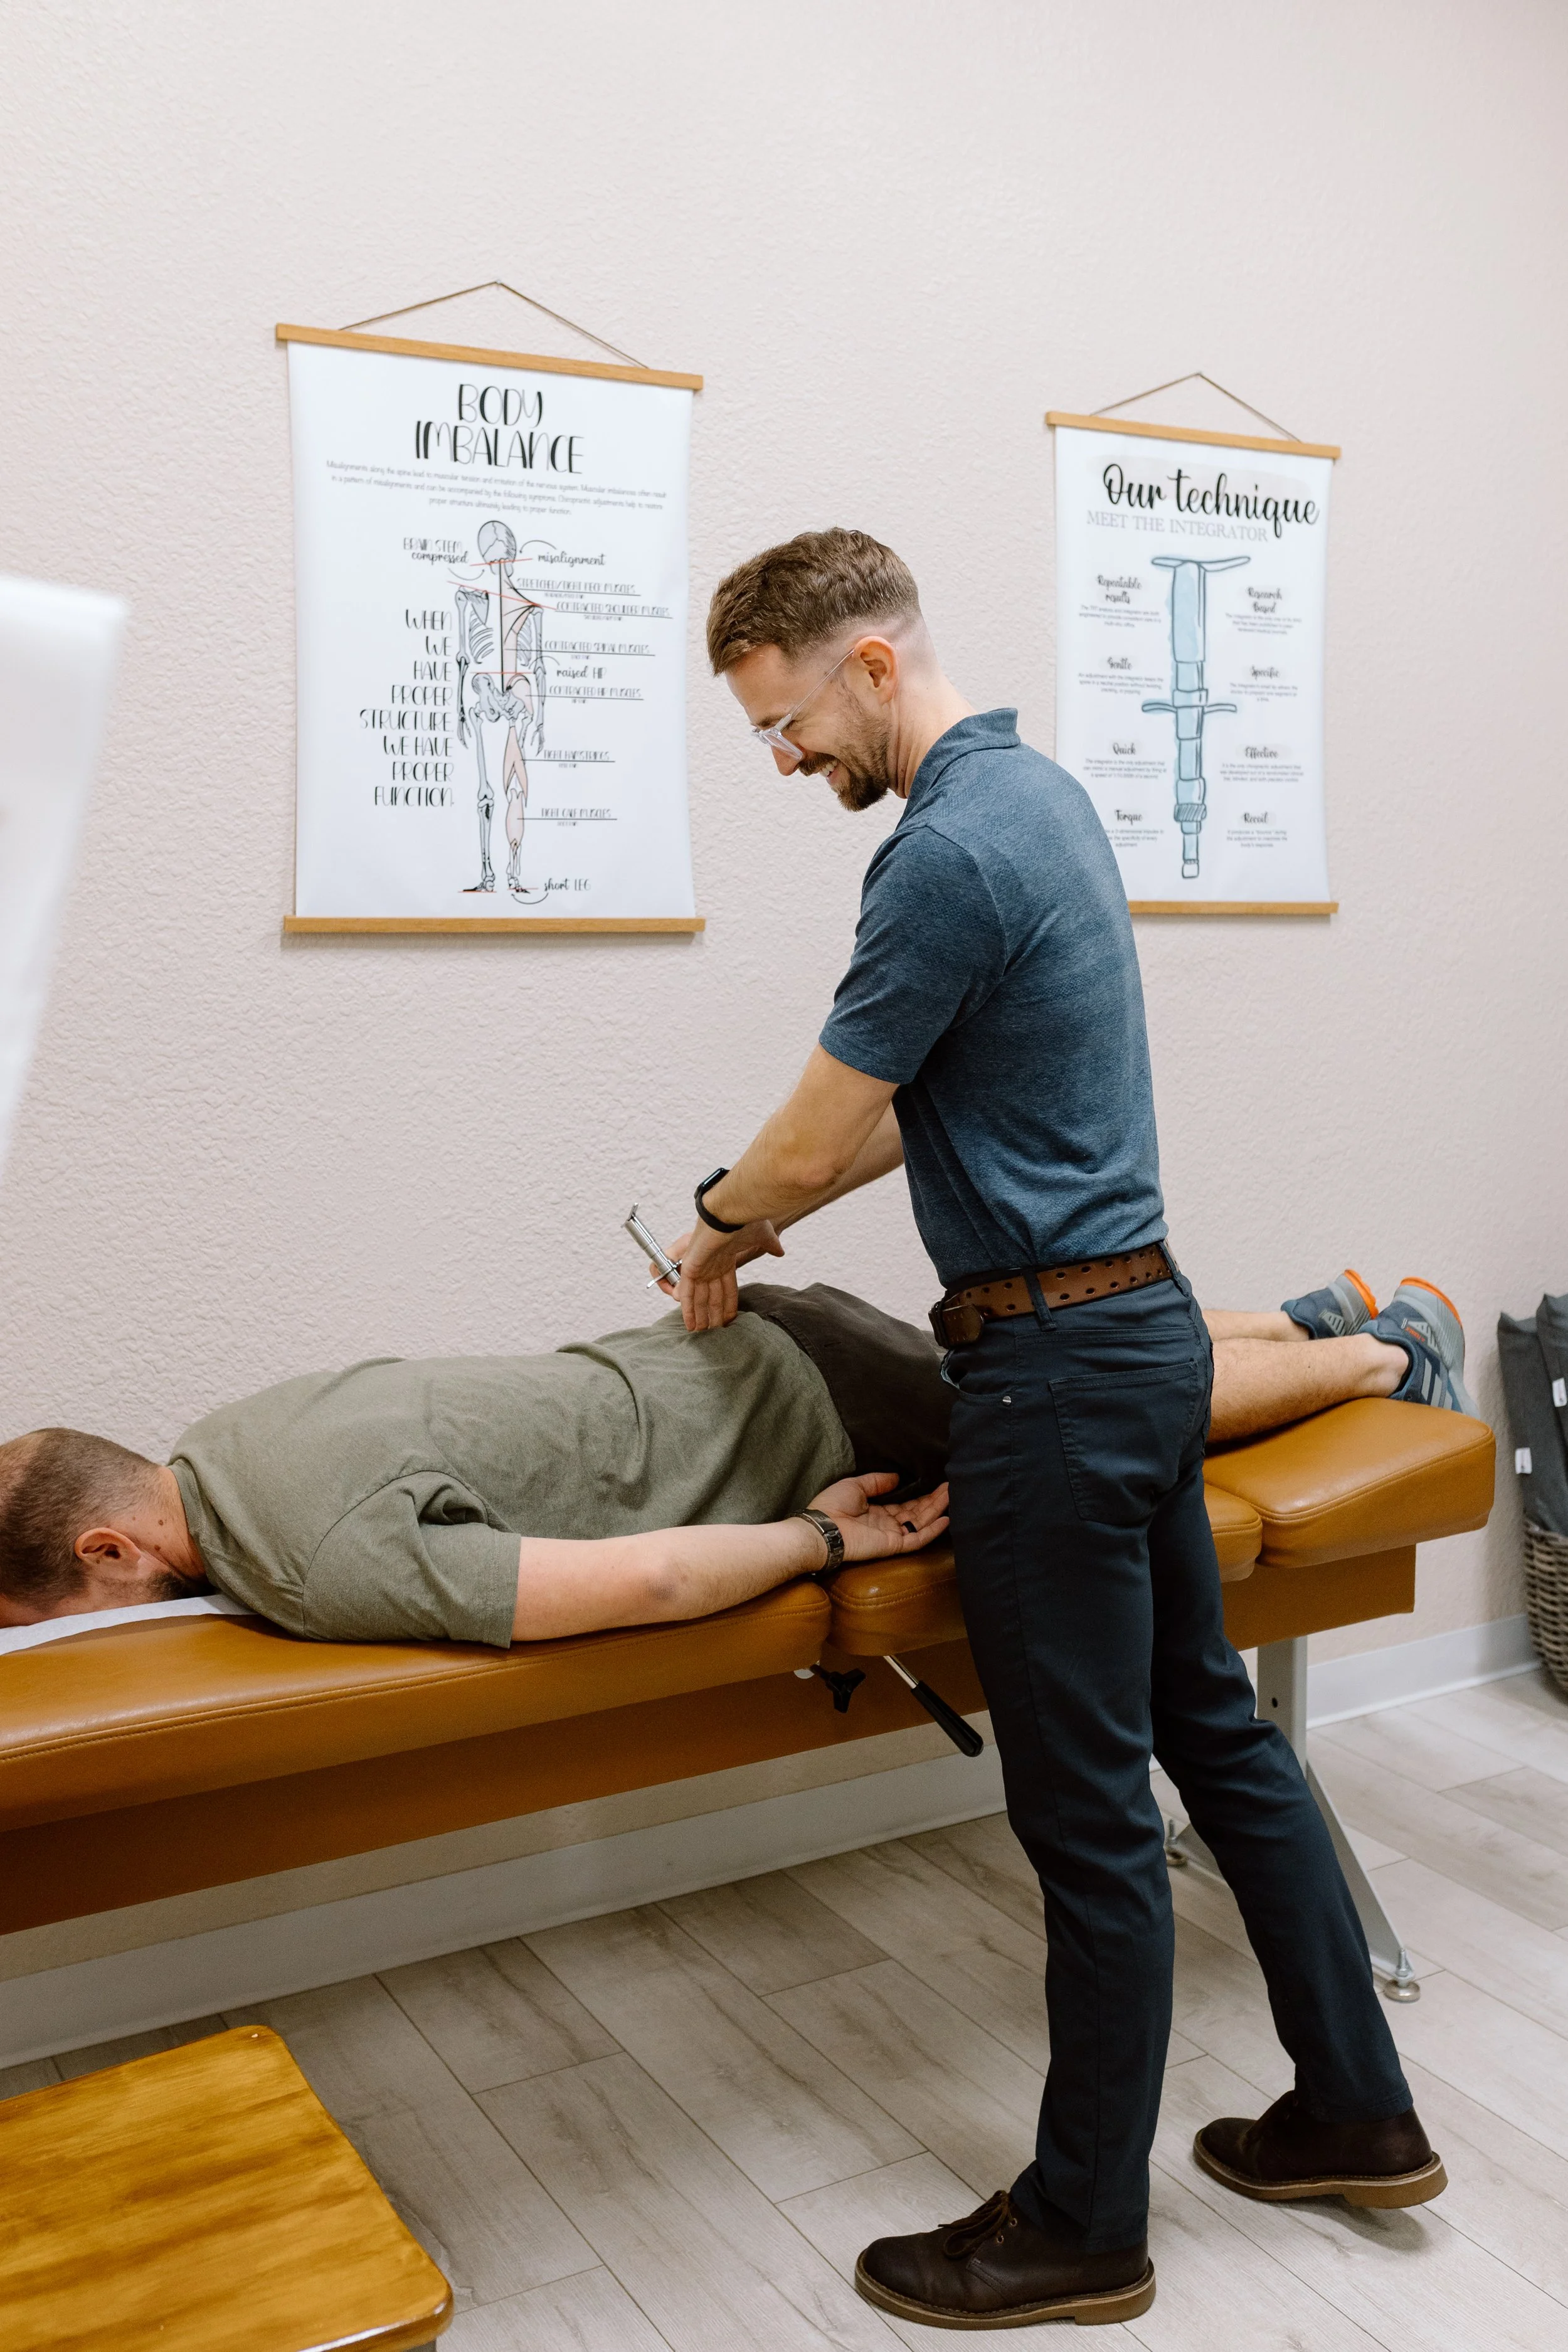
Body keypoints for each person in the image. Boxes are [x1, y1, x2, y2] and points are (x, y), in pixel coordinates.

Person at [660, 528, 1448, 2331]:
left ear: (865, 660)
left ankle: (1078, 2221)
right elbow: (893, 1110)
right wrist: (770, 1206)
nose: (786, 765)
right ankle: (1354, 2104)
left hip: (1049, 1385)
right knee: (1220, 1739)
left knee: (1090, 1821)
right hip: (1144, 1335)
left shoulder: (937, 851)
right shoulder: (1042, 802)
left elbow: (808, 1128)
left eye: (786, 724)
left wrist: (718, 1218)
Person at [0, 1264, 1475, 1643]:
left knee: (1094, 1400)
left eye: (59, 1625)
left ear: (109, 1550)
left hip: (817, 1424)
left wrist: (824, 1543)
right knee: (1027, 1347)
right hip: (758, 1344)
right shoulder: (225, 1436)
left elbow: (641, 1585)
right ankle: (1303, 1316)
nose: (84, 1646)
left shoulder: (311, 1563)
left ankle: (1383, 1350)